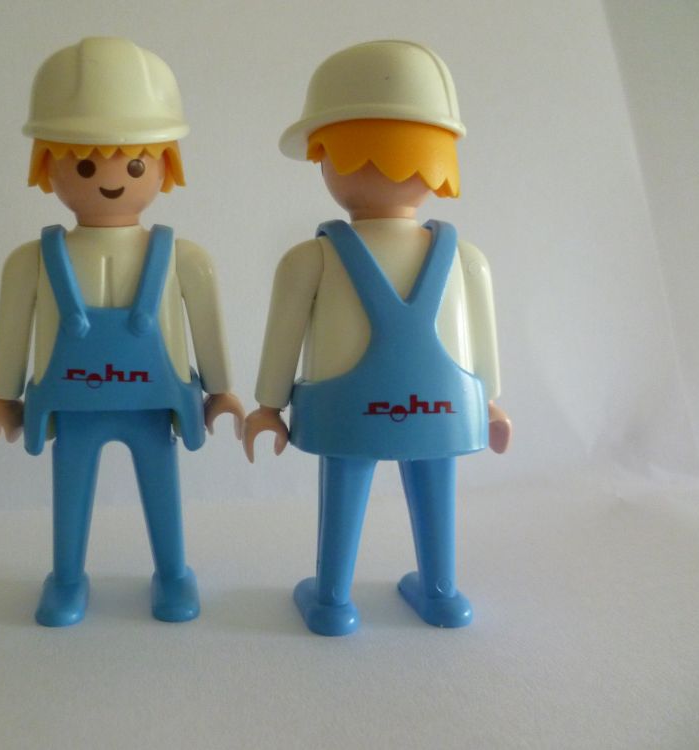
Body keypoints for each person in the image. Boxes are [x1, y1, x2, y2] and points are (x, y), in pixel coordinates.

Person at [243, 40, 511, 636]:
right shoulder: (466, 258)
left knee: (345, 490)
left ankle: (333, 600)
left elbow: (283, 338)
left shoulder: (310, 259)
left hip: (348, 408)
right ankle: (440, 593)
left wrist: (268, 406)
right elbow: (483, 345)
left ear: (325, 158)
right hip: (441, 407)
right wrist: (489, 402)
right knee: (433, 489)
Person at [0, 37, 243, 627]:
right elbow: (12, 332)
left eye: (136, 164)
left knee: (162, 492)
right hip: (74, 406)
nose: (112, 179)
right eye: (85, 165)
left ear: (165, 164)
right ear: (48, 166)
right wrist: (4, 399)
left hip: (153, 405)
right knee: (69, 497)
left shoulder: (184, 259)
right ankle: (67, 577)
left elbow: (206, 326)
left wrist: (221, 391)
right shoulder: (31, 262)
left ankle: (172, 572)